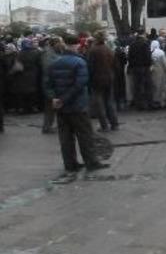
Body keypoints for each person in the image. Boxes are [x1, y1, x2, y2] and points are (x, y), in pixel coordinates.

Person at [46, 37, 109, 173]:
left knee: (66, 137)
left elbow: (48, 84)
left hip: (61, 107)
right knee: (85, 135)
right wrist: (64, 98)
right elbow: (80, 84)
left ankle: (70, 164)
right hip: (78, 105)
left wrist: (55, 99)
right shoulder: (79, 62)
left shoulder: (54, 62)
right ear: (75, 46)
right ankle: (91, 162)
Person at [87, 32, 118, 132]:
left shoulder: (93, 50)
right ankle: (114, 124)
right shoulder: (109, 49)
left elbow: (90, 67)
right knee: (109, 101)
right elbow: (115, 65)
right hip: (109, 77)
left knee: (99, 103)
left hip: (97, 79)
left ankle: (104, 125)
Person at [9, 38, 41, 114]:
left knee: (24, 93)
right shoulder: (36, 52)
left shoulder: (20, 54)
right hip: (33, 74)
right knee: (32, 92)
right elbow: (39, 63)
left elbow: (17, 65)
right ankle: (32, 107)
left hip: (22, 75)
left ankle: (24, 108)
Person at [40, 37, 61, 133]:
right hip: (50, 83)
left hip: (52, 82)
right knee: (50, 105)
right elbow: (48, 67)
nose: (62, 44)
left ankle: (49, 126)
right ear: (55, 43)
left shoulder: (53, 52)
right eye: (60, 43)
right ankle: (47, 127)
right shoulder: (48, 53)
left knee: (53, 106)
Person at [127, 32, 153, 110]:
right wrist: (149, 64)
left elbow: (129, 57)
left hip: (135, 68)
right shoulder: (145, 45)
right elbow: (148, 57)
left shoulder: (132, 45)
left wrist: (131, 66)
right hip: (145, 68)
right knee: (147, 86)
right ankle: (149, 104)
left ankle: (139, 105)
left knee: (137, 87)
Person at [149, 40, 166, 109]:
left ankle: (155, 101)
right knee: (162, 87)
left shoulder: (150, 52)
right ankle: (162, 102)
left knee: (154, 87)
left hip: (153, 72)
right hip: (161, 72)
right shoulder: (161, 52)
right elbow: (165, 64)